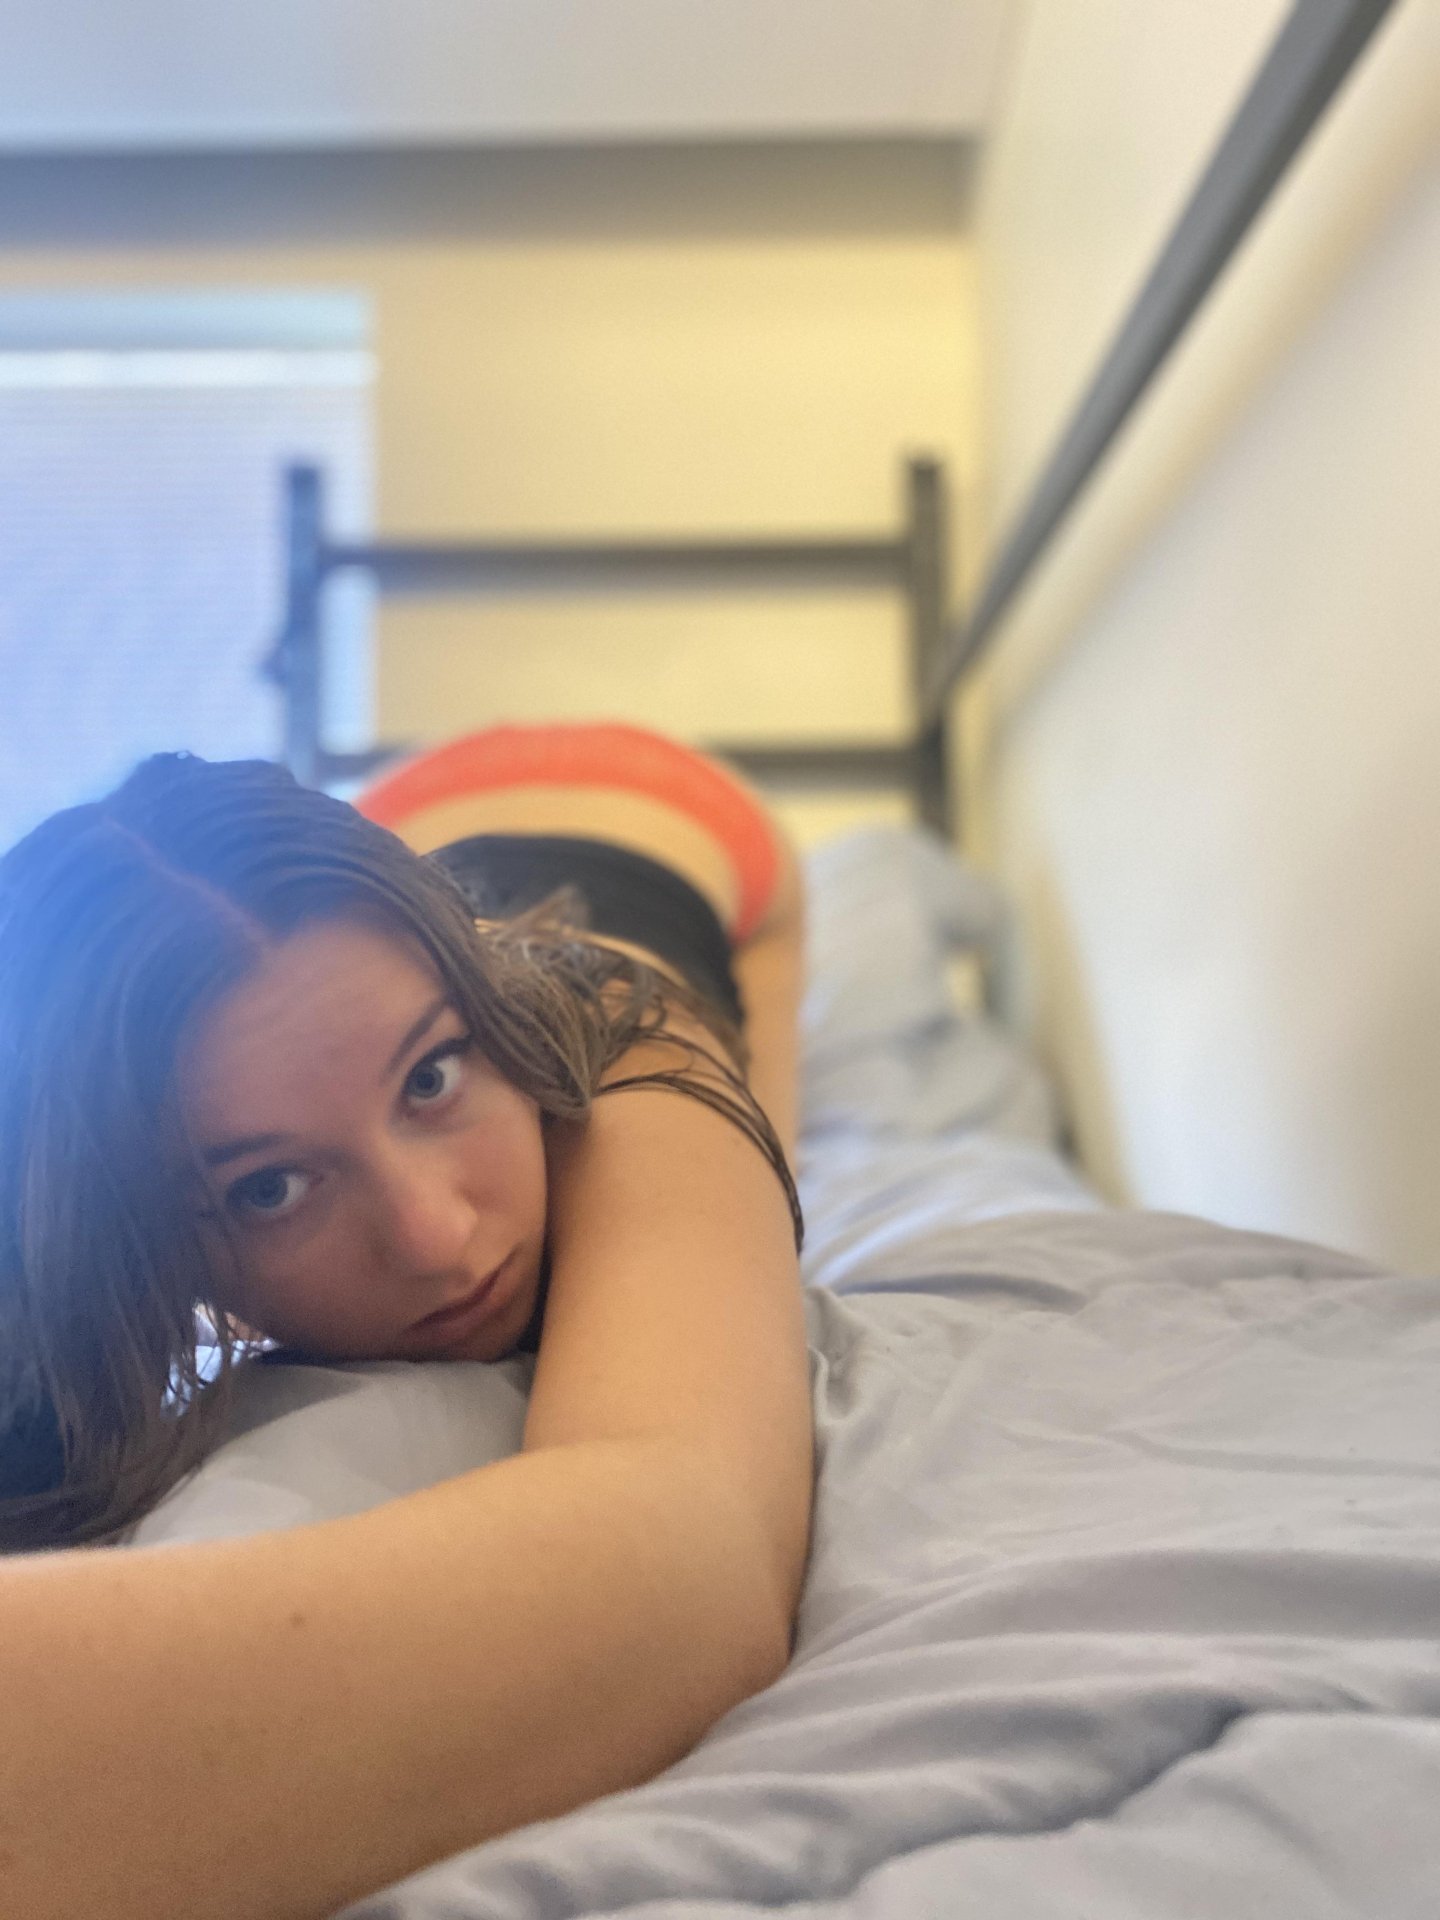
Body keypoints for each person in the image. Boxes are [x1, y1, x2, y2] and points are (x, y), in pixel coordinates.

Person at [0, 723, 814, 1920]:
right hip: (399, 844)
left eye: (431, 1079)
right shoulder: (207, 1092)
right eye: (271, 1189)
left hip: (684, 815)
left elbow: (690, 1568)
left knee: (775, 1162)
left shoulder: (619, 1042)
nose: (435, 1236)